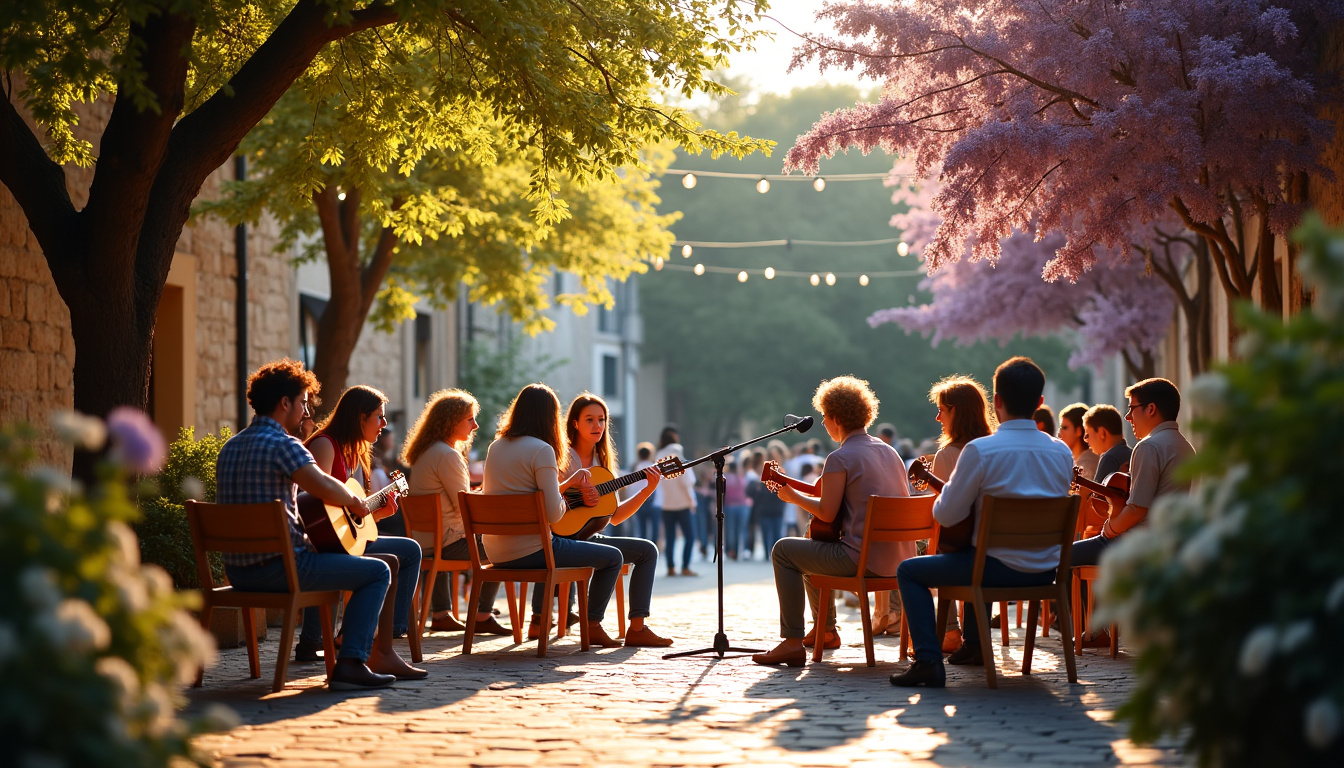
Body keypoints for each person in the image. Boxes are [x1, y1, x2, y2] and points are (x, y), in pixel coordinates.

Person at [216, 359, 407, 690]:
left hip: (238, 571)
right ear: (285, 403)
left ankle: (334, 646)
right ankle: (350, 664)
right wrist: (355, 502)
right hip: (282, 568)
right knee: (378, 571)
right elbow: (321, 484)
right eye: (303, 402)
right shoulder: (284, 445)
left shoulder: (229, 447)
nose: (306, 412)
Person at [890, 357, 1074, 688]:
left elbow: (945, 514)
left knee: (909, 570)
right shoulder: (1061, 451)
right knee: (979, 551)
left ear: (998, 401)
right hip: (1047, 570)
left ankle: (929, 661)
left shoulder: (980, 451)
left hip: (992, 569)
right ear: (1040, 403)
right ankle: (974, 644)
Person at [752, 375, 913, 668]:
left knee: (785, 550)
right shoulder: (891, 453)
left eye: (825, 417)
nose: (824, 424)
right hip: (901, 562)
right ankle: (824, 631)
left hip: (862, 561)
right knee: (813, 540)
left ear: (836, 418)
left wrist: (792, 497)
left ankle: (792, 642)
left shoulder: (841, 458)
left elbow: (826, 512)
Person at [480, 383, 627, 648]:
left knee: (569, 545)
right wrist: (570, 496)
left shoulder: (496, 447)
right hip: (532, 550)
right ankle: (591, 625)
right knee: (613, 557)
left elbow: (529, 500)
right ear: (550, 416)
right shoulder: (542, 450)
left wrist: (565, 485)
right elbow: (553, 513)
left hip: (495, 551)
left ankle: (544, 618)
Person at [303, 385, 427, 679]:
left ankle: (368, 639)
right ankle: (377, 641)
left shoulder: (353, 452)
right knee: (405, 553)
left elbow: (348, 514)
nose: (384, 425)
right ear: (360, 417)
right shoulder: (325, 445)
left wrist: (378, 511)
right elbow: (314, 503)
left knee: (408, 549)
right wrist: (358, 508)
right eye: (379, 417)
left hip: (335, 538)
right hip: (317, 541)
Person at [553, 393, 675, 646]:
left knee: (647, 550)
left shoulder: (604, 465)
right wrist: (571, 490)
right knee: (611, 557)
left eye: (602, 420)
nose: (598, 426)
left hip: (586, 536)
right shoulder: (560, 457)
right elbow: (544, 496)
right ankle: (593, 624)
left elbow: (616, 516)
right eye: (590, 420)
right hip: (558, 537)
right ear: (574, 423)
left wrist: (647, 490)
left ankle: (638, 629)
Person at [893, 375, 997, 648]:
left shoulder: (949, 454)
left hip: (966, 553)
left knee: (918, 552)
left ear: (956, 412)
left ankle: (948, 631)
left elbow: (938, 517)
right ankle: (965, 636)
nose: (938, 418)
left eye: (941, 410)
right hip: (1002, 551)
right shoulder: (995, 449)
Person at [401, 389, 512, 636]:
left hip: (425, 539)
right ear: (452, 421)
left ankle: (441, 614)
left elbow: (451, 499)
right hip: (446, 542)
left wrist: (480, 491)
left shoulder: (427, 451)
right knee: (506, 547)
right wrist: (492, 494)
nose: (475, 425)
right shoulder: (447, 455)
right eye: (470, 419)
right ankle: (483, 614)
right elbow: (465, 507)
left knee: (480, 537)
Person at [1072, 379, 1195, 568]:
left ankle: (1056, 598)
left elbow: (1137, 508)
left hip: (1138, 545)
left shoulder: (1148, 446)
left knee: (1063, 555)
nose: (1128, 417)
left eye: (1132, 409)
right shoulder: (1186, 447)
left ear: (1151, 409)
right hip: (1175, 543)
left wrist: (1109, 530)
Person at [656, 426, 698, 578]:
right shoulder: (677, 452)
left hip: (666, 502)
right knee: (690, 535)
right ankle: (685, 566)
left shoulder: (659, 455)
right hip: (682, 503)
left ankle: (670, 567)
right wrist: (691, 500)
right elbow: (686, 479)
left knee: (670, 537)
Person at [1084, 404, 1132, 481]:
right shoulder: (1132, 453)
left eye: (1087, 435)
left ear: (1102, 433)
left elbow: (1098, 492)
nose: (1086, 439)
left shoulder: (1109, 458)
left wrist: (1085, 492)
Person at [1058, 402, 1100, 482]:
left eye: (1065, 428)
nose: (1060, 433)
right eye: (1061, 428)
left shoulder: (1087, 464)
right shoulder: (1075, 461)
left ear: (1078, 431)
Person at [631, 442, 663, 545]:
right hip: (655, 503)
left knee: (642, 528)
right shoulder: (655, 468)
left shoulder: (636, 468)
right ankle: (654, 546)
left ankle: (644, 547)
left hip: (640, 502)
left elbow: (632, 488)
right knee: (655, 528)